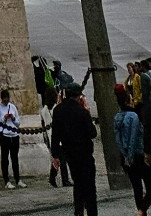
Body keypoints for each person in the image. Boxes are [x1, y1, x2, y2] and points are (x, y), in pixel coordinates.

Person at [51, 83, 98, 216]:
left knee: (77, 183)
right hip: (84, 153)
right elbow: (92, 133)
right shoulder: (82, 111)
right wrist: (88, 112)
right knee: (89, 186)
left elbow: (55, 134)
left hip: (69, 152)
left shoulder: (58, 110)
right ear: (78, 96)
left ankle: (78, 212)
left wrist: (55, 155)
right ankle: (92, 212)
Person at [114, 83, 151, 216]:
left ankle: (141, 211)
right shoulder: (133, 117)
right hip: (137, 155)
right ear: (128, 101)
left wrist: (125, 155)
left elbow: (118, 139)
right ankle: (141, 211)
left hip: (126, 157)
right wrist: (131, 156)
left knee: (137, 188)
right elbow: (133, 137)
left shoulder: (117, 117)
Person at [0, 90, 22, 187]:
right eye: (4, 99)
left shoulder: (12, 107)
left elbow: (18, 123)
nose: (6, 101)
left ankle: (18, 179)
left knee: (15, 159)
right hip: (4, 136)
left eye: (7, 99)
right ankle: (7, 181)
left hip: (14, 135)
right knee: (5, 159)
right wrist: (4, 118)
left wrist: (13, 118)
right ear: (2, 98)